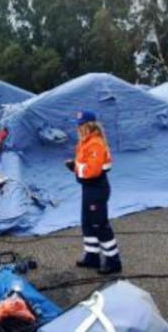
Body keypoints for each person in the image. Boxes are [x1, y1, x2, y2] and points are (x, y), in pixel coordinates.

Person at [65, 110, 122, 275]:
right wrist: (75, 165)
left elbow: (93, 171)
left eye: (81, 125)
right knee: (88, 223)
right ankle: (92, 256)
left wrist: (75, 167)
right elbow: (84, 164)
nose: (78, 129)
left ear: (89, 126)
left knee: (99, 224)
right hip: (89, 188)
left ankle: (113, 261)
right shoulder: (85, 142)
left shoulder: (95, 143)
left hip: (97, 188)